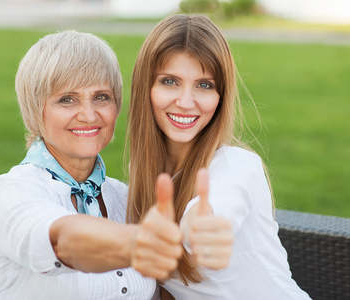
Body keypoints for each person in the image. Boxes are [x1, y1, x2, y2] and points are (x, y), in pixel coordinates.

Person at [0, 30, 183, 300]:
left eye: (101, 97)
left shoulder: (126, 198)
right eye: (67, 99)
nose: (88, 115)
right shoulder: (7, 195)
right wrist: (137, 242)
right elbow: (62, 240)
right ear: (36, 109)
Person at [127, 14, 312, 299]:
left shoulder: (237, 165)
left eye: (204, 85)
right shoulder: (144, 174)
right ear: (146, 88)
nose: (186, 102)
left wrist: (202, 228)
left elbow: (217, 206)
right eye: (169, 81)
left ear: (221, 96)